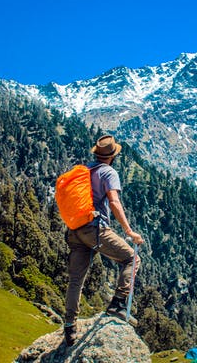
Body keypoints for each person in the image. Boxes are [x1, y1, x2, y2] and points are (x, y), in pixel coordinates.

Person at [63, 135, 144, 346]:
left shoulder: (86, 170)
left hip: (75, 230)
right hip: (95, 229)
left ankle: (70, 327)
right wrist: (129, 231)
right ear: (112, 156)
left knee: (75, 280)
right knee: (131, 259)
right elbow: (114, 202)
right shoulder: (109, 172)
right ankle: (117, 305)